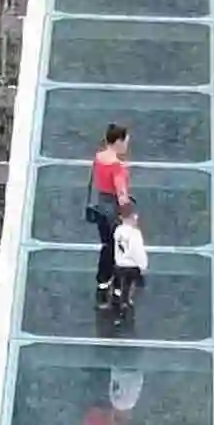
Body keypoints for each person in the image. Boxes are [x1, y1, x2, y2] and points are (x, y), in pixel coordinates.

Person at [88, 122, 132, 305]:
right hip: (113, 208)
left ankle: (102, 281)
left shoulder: (99, 158)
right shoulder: (117, 166)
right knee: (120, 246)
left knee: (107, 244)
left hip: (100, 205)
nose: (127, 145)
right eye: (126, 141)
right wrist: (128, 213)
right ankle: (118, 285)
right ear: (118, 142)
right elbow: (121, 193)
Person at [106, 199, 148, 329]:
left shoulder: (118, 231)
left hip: (119, 265)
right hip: (132, 266)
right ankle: (125, 305)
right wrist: (143, 266)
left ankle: (117, 303)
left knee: (119, 284)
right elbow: (137, 251)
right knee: (129, 286)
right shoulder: (135, 233)